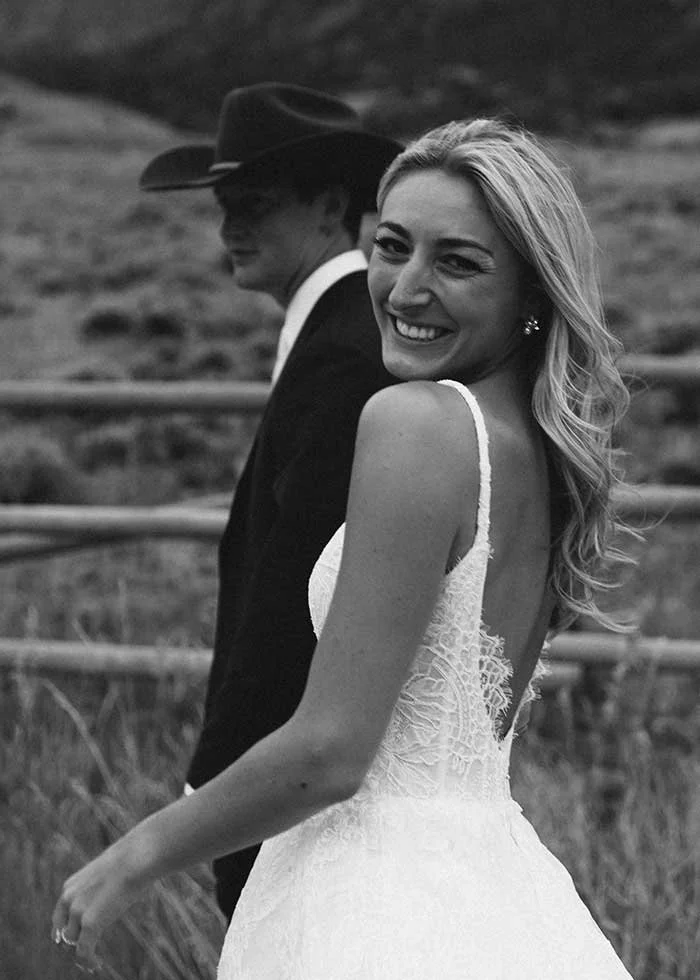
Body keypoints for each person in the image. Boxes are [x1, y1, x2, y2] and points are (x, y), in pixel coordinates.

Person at [52, 118, 636, 978]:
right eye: (392, 246)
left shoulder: (418, 426)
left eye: (458, 262)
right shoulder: (539, 452)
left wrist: (131, 856)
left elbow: (333, 748)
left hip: (375, 897)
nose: (404, 289)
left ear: (532, 296)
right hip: (493, 882)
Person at [139, 82, 401, 917]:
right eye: (223, 206)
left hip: (298, 776)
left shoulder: (344, 354)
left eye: (253, 204)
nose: (229, 229)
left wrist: (214, 787)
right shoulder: (344, 332)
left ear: (331, 204)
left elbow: (295, 592)